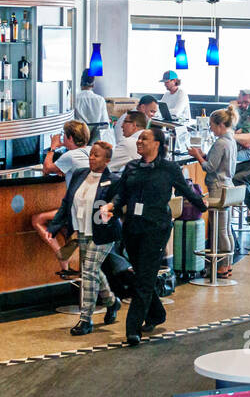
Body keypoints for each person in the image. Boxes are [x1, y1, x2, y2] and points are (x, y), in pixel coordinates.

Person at [101, 126, 205, 346]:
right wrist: (112, 206)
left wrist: (202, 204)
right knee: (142, 276)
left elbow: (186, 190)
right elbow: (122, 194)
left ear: (157, 143)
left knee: (145, 278)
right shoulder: (132, 167)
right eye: (139, 139)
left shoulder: (169, 168)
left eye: (144, 139)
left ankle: (132, 329)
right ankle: (157, 313)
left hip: (156, 229)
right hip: (132, 228)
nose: (139, 142)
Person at [47, 140, 121, 336]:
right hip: (82, 229)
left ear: (107, 160)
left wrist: (110, 210)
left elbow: (118, 203)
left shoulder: (113, 180)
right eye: (91, 154)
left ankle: (85, 319)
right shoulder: (80, 174)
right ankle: (112, 302)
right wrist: (54, 226)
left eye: (97, 155)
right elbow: (67, 202)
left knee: (88, 271)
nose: (92, 158)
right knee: (92, 270)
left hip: (103, 233)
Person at [35, 120, 91, 278]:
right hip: (91, 209)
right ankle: (69, 259)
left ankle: (64, 261)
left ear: (70, 138)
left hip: (76, 210)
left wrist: (53, 148)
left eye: (64, 136)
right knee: (61, 226)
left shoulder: (70, 156)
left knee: (38, 220)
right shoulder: (91, 151)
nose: (62, 138)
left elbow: (47, 168)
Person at [189, 107, 239, 279]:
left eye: (211, 125)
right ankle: (228, 264)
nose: (210, 128)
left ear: (220, 125)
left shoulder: (220, 143)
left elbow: (209, 167)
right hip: (228, 185)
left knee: (220, 230)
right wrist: (204, 155)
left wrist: (197, 155)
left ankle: (221, 267)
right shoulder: (231, 140)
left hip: (217, 187)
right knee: (226, 229)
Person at [71, 69, 110, 144]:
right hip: (95, 140)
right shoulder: (100, 100)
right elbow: (105, 124)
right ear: (93, 84)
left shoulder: (74, 99)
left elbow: (70, 122)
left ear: (81, 82)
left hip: (77, 139)